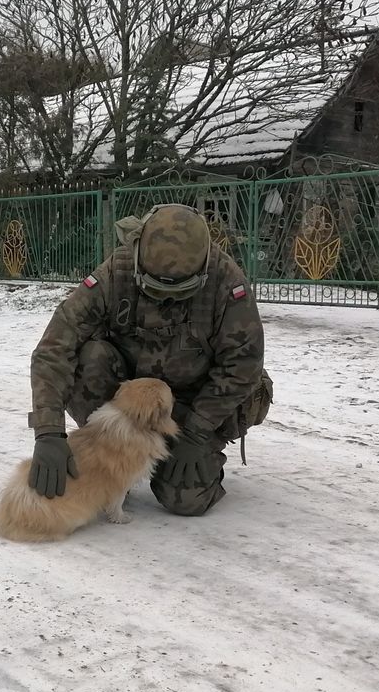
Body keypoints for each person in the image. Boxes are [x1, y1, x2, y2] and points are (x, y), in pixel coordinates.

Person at [28, 203, 272, 517]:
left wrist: (196, 433)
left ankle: (196, 457)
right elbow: (55, 347)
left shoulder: (227, 284)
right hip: (134, 402)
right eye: (154, 288)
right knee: (89, 358)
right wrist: (48, 431)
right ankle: (115, 457)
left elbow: (243, 365)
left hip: (193, 406)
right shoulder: (117, 272)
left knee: (185, 499)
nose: (166, 299)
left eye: (179, 292)